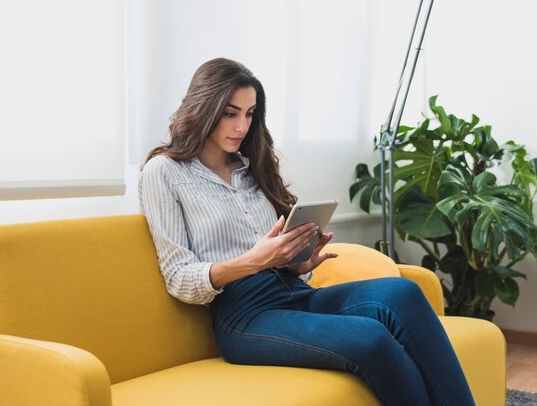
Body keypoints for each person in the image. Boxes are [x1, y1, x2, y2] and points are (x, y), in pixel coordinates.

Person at [138, 57, 475, 406]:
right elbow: (178, 277)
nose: (242, 126)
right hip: (245, 316)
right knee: (371, 337)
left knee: (403, 292)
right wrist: (254, 261)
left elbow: (279, 256)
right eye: (230, 113)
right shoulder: (164, 171)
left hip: (295, 292)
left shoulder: (251, 166)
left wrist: (297, 262)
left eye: (250, 114)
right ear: (204, 107)